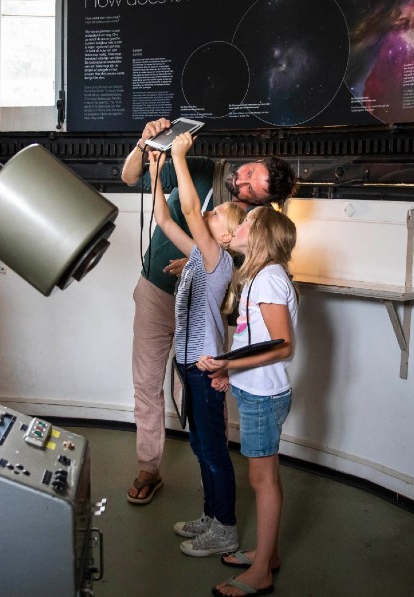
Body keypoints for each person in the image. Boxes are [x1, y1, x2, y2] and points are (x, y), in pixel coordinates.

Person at [121, 118, 298, 505]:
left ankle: (213, 487)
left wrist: (199, 261)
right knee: (147, 384)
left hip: (205, 313)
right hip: (156, 291)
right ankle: (150, 467)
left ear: (264, 205)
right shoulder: (205, 169)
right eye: (249, 173)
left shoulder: (251, 224)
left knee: (202, 399)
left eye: (253, 190)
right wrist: (146, 147)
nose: (244, 184)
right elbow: (135, 181)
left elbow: (244, 261)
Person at [144, 132, 246, 556]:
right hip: (190, 365)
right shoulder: (201, 255)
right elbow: (167, 221)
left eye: (219, 213)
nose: (211, 211)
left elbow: (187, 208)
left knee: (214, 451)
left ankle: (225, 527)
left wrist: (180, 158)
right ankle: (211, 514)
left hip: (204, 367)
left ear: (226, 238)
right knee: (202, 447)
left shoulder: (216, 259)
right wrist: (154, 173)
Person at [195, 206, 299, 597]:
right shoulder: (257, 276)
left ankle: (260, 573)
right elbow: (252, 339)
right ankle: (266, 555)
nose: (238, 226)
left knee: (263, 480)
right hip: (253, 388)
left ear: (261, 236)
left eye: (247, 222)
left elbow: (282, 346)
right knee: (266, 476)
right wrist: (229, 370)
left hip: (263, 395)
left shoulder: (270, 279)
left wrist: (224, 363)